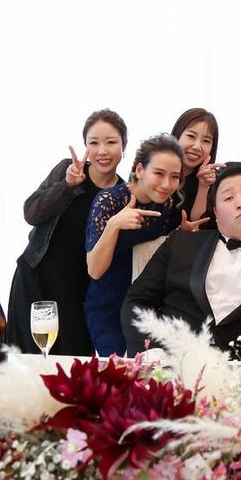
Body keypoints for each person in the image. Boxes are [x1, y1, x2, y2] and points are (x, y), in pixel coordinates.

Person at [121, 164, 241, 358]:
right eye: (228, 198)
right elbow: (137, 302)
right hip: (172, 364)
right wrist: (152, 352)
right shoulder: (181, 244)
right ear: (215, 213)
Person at [7, 109, 127, 355]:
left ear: (123, 145)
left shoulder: (123, 195)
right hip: (36, 283)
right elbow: (31, 213)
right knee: (26, 366)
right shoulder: (67, 170)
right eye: (94, 143)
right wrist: (68, 186)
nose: (102, 151)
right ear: (86, 146)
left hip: (79, 297)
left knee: (72, 368)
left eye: (111, 142)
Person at [85, 134, 184, 356]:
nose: (167, 184)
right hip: (108, 306)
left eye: (174, 176)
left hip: (144, 305)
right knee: (119, 370)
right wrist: (114, 225)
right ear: (140, 170)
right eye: (159, 173)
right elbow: (94, 270)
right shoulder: (109, 200)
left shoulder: (166, 203)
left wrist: (180, 233)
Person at [170, 108, 222, 226]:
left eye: (206, 141)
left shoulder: (214, 180)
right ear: (177, 135)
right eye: (191, 136)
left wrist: (203, 186)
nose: (197, 146)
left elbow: (199, 224)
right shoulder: (156, 170)